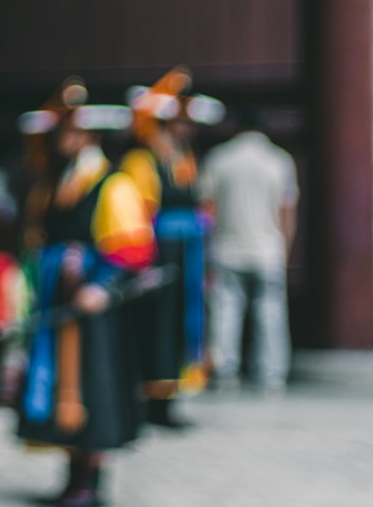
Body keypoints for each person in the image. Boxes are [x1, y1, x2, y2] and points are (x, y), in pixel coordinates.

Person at [16, 80, 155, 507]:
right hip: (59, 296)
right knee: (61, 381)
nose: (62, 140)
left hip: (93, 306)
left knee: (93, 386)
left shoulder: (112, 183)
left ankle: (90, 479)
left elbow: (132, 245)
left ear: (89, 134)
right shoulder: (57, 180)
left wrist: (101, 285)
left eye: (69, 132)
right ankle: (73, 471)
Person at [120, 69, 224, 426]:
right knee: (157, 325)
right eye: (177, 122)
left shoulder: (183, 158)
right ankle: (151, 398)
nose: (185, 129)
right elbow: (139, 212)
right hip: (160, 252)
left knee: (182, 322)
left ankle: (170, 397)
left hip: (187, 252)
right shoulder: (142, 160)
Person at [199, 109, 298, 392]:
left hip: (226, 247)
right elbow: (287, 211)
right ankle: (272, 374)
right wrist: (285, 248)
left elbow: (208, 210)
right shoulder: (279, 160)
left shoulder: (219, 158)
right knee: (271, 314)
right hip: (268, 248)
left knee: (225, 312)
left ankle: (224, 372)